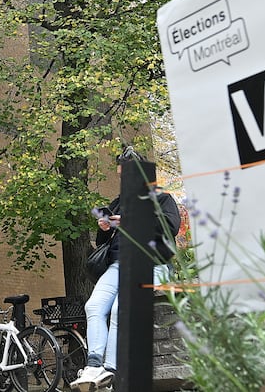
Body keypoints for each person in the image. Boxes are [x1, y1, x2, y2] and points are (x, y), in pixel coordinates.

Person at [70, 156, 182, 391]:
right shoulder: (120, 202)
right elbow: (104, 241)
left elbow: (170, 226)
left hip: (151, 264)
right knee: (94, 306)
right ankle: (94, 366)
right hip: (119, 264)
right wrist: (104, 227)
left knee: (119, 310)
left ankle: (111, 371)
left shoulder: (161, 198)